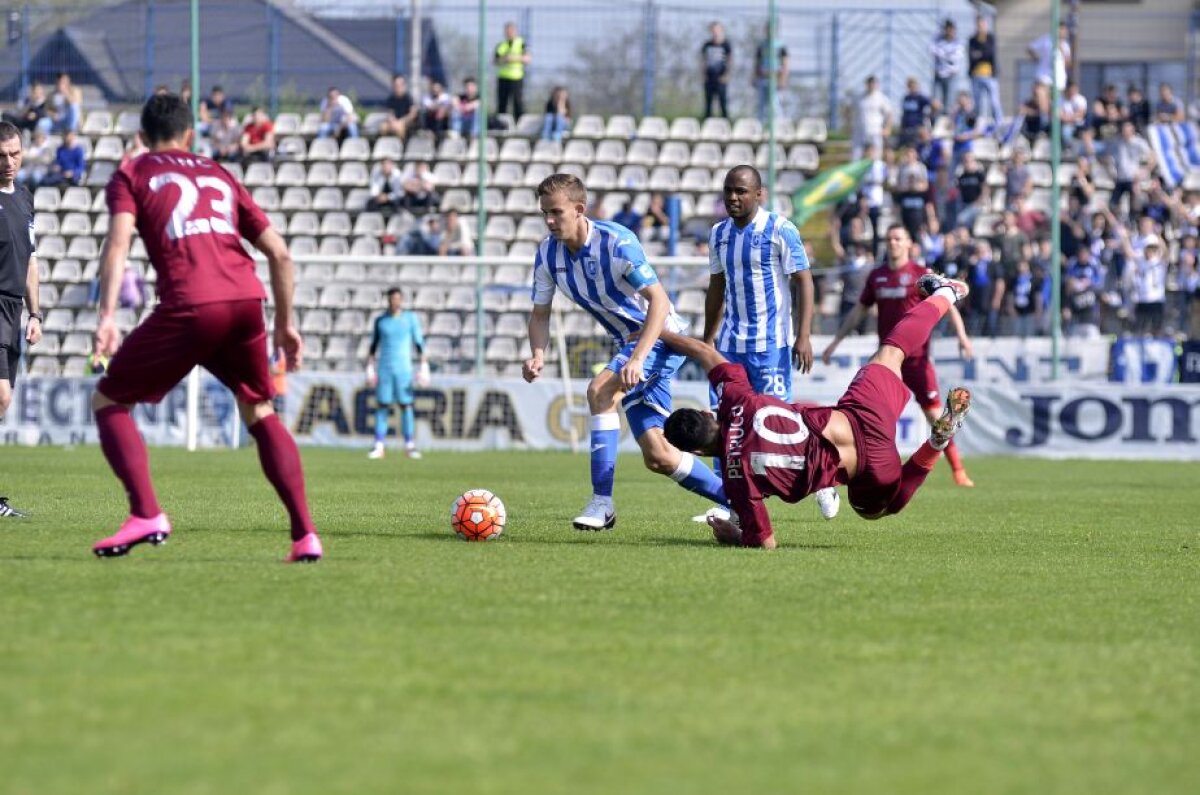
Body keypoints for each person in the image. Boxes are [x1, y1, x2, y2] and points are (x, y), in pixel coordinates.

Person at [89, 93, 322, 563]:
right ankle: (304, 536)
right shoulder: (219, 173)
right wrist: (286, 326)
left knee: (109, 400)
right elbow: (280, 252)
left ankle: (147, 512)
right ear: (190, 134)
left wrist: (108, 316)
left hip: (190, 305)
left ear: (141, 137)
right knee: (259, 409)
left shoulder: (132, 173)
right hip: (244, 301)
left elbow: (117, 247)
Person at [660, 273, 973, 549]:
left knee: (879, 509)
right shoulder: (736, 399)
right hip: (859, 416)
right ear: (707, 414)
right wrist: (655, 334)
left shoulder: (735, 478)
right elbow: (703, 351)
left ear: (699, 451)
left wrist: (734, 536)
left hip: (870, 468)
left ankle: (935, 445)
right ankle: (946, 291)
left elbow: (765, 542)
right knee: (892, 352)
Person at [523, 174, 726, 530]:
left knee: (600, 392)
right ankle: (737, 498)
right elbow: (540, 314)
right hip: (631, 345)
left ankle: (601, 503)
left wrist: (637, 358)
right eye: (545, 214)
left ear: (579, 209)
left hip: (661, 336)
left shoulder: (617, 243)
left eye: (556, 212)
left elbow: (659, 302)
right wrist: (538, 354)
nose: (549, 221)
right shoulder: (547, 254)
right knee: (659, 456)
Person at [702, 165, 839, 520]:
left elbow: (804, 282)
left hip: (771, 346)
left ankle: (823, 480)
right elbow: (716, 288)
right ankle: (729, 504)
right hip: (731, 346)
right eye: (728, 190)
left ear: (759, 194)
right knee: (725, 425)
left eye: (741, 191)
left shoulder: (780, 229)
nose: (733, 197)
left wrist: (803, 335)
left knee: (779, 425)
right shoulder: (718, 234)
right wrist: (707, 340)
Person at [822, 224, 975, 487]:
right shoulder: (877, 276)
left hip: (917, 360)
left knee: (936, 416)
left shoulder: (920, 275)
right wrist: (835, 342)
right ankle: (843, 472)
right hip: (888, 361)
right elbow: (858, 311)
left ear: (908, 244)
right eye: (889, 238)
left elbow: (946, 305)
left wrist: (962, 337)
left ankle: (958, 470)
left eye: (898, 238)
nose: (892, 242)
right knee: (867, 413)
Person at [0, 121, 42, 519]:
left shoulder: (25, 199)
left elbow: (30, 260)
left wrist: (36, 313)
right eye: (1, 156)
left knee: (1, 404)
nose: (8, 162)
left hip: (14, 310)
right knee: (1, 396)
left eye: (14, 154)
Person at [367, 288, 426, 460]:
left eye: (398, 299)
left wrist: (424, 365)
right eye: (392, 299)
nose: (395, 302)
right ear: (388, 300)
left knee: (405, 405)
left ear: (402, 300)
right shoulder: (381, 321)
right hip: (385, 367)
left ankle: (409, 445)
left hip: (404, 368)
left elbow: (419, 342)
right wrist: (369, 367)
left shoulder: (410, 319)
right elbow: (374, 345)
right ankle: (379, 445)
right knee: (383, 405)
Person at [967, 15, 1003, 126]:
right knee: (977, 102)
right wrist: (980, 55)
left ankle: (998, 123)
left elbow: (989, 53)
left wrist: (980, 54)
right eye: (978, 25)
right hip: (976, 75)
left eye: (982, 25)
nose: (980, 27)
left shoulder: (990, 38)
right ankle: (976, 123)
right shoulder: (972, 40)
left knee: (994, 101)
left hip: (990, 75)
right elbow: (972, 56)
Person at [753, 22, 788, 124]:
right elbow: (756, 62)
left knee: (775, 104)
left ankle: (780, 125)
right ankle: (760, 126)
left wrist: (782, 79)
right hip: (763, 78)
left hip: (775, 79)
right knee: (761, 105)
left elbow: (785, 63)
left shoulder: (780, 45)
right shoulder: (762, 45)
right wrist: (754, 76)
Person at [494, 22, 530, 119]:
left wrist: (512, 58)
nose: (509, 33)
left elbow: (527, 58)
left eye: (511, 30)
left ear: (515, 31)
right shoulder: (501, 45)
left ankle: (520, 124)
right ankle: (501, 124)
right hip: (503, 77)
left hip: (516, 77)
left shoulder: (521, 43)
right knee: (502, 103)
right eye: (507, 31)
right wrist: (505, 59)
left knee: (518, 103)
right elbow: (495, 60)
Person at [852, 75, 893, 161]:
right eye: (869, 83)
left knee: (876, 158)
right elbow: (850, 110)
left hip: (875, 131)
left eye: (873, 83)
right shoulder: (859, 97)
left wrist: (887, 128)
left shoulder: (881, 98)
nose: (871, 85)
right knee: (856, 157)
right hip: (860, 132)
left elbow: (889, 114)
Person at [699, 21, 732, 119]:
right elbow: (703, 60)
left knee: (723, 103)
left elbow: (730, 61)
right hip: (709, 77)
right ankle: (707, 124)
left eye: (717, 30)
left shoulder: (726, 45)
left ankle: (725, 124)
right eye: (713, 30)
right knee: (708, 104)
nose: (715, 32)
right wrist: (703, 74)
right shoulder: (707, 45)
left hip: (721, 78)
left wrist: (726, 75)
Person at [929, 18, 963, 114]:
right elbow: (932, 50)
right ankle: (935, 120)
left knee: (948, 103)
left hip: (951, 75)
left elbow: (955, 57)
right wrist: (946, 54)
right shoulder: (937, 39)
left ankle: (946, 121)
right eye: (947, 29)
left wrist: (943, 54)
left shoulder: (958, 42)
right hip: (938, 75)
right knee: (935, 102)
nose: (950, 32)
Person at [1027, 21, 1070, 90]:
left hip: (1059, 79)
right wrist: (1036, 59)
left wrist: (1062, 51)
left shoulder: (1065, 45)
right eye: (1062, 29)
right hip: (1044, 76)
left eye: (1065, 30)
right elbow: (1030, 47)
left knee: (1056, 98)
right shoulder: (1047, 39)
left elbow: (1067, 63)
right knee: (1041, 92)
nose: (1064, 32)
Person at [382, 74, 419, 140]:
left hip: (406, 123)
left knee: (399, 128)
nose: (399, 87)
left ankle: (401, 147)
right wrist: (393, 122)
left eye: (401, 85)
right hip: (394, 122)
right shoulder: (391, 99)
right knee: (383, 127)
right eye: (396, 85)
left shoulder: (409, 98)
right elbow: (390, 114)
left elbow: (412, 114)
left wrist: (401, 121)